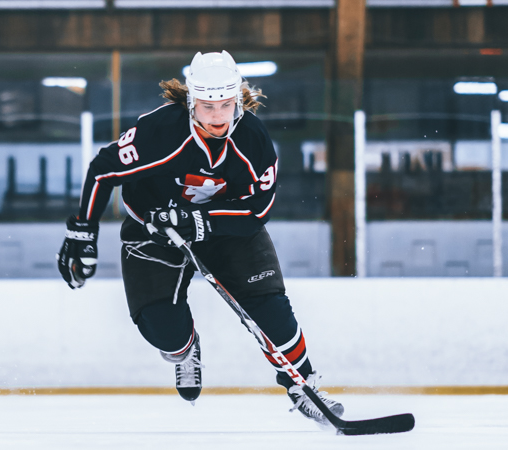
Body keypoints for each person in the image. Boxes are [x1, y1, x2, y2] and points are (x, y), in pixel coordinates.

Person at [57, 50, 343, 427]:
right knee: (162, 328)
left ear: (237, 100)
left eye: (226, 105)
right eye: (207, 106)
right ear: (191, 101)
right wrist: (82, 233)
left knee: (270, 309)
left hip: (228, 230)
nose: (217, 117)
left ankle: (302, 387)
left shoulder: (253, 140)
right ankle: (185, 351)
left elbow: (258, 209)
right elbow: (103, 171)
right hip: (154, 233)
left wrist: (200, 220)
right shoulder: (158, 132)